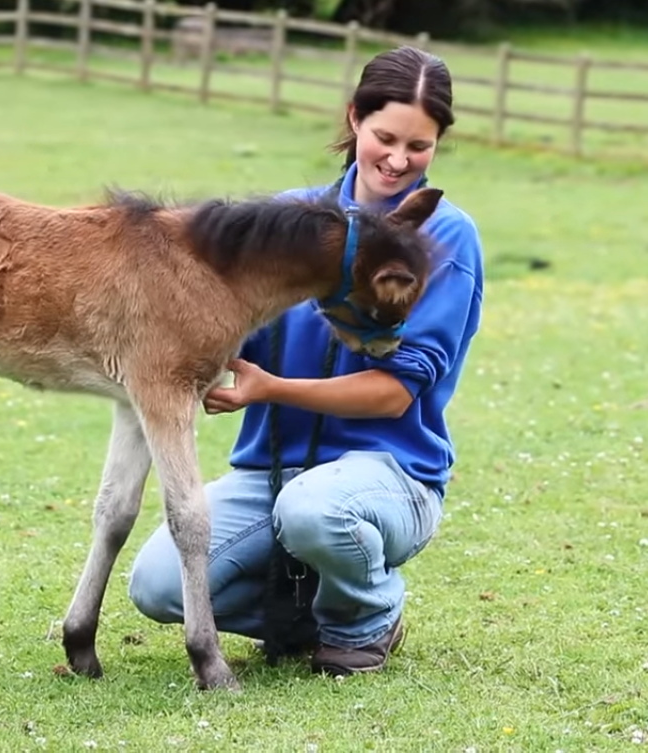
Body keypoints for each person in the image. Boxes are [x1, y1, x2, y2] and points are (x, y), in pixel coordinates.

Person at [127, 45, 484, 677]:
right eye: (385, 137)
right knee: (157, 587)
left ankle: (368, 617)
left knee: (315, 510)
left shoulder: (444, 238)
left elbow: (396, 393)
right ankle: (309, 613)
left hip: (390, 475)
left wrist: (270, 389)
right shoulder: (290, 216)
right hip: (270, 474)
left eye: (420, 147)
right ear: (354, 119)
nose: (399, 160)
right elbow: (231, 325)